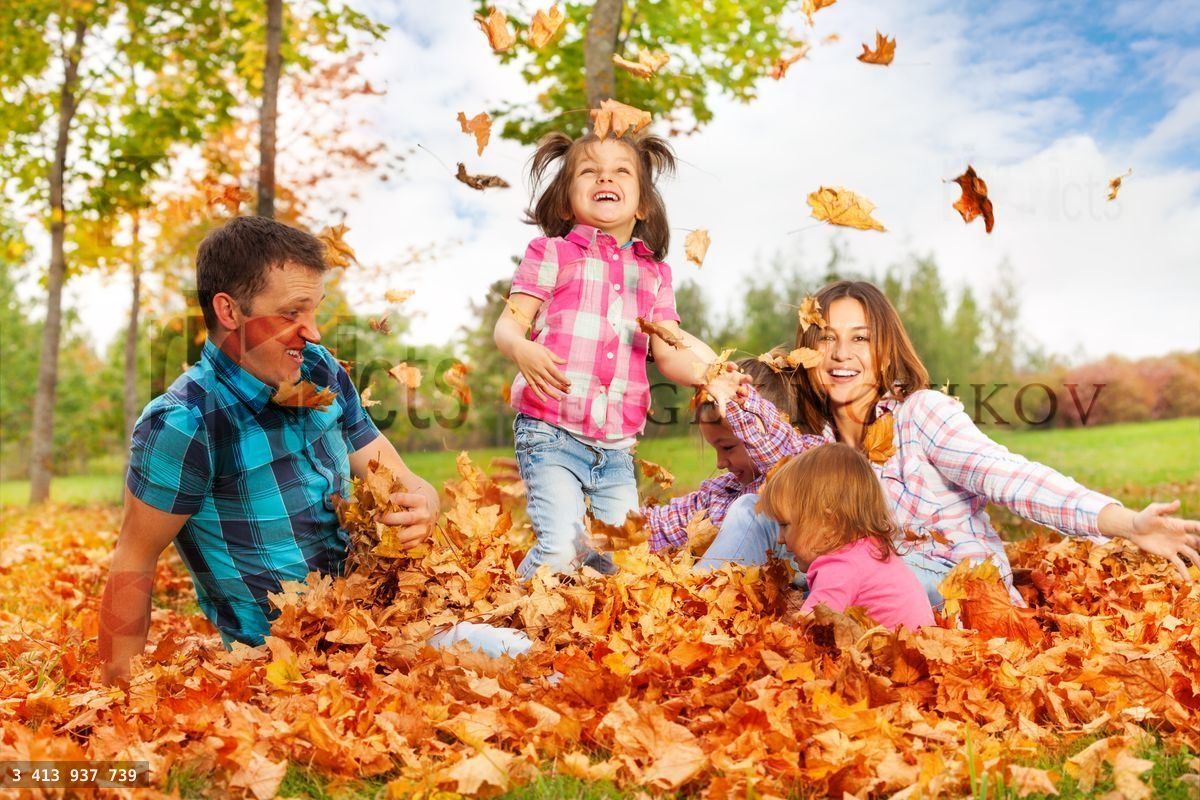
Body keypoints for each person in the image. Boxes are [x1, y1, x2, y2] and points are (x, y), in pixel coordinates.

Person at [100, 217, 526, 685]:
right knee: (521, 663)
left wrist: (423, 502)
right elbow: (134, 558)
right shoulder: (185, 422)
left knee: (533, 645)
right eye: (291, 314)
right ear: (229, 311)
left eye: (314, 311)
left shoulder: (319, 368)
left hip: (384, 621)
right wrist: (119, 694)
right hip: (290, 665)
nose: (315, 333)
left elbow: (398, 475)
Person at [700, 280, 1200, 606]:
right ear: (807, 352)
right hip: (855, 572)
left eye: (860, 338)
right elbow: (740, 492)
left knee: (855, 568)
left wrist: (1128, 523)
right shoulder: (814, 442)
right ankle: (692, 609)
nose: (841, 353)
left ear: (885, 350)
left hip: (947, 578)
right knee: (753, 510)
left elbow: (1011, 478)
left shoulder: (922, 413)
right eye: (827, 338)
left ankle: (817, 613)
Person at [494, 129, 730, 580]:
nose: (605, 178)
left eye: (621, 171)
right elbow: (508, 325)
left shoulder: (655, 274)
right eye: (589, 171)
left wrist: (711, 374)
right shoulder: (552, 253)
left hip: (617, 446)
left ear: (642, 205)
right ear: (567, 202)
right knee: (561, 548)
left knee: (624, 561)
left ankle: (583, 615)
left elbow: (670, 351)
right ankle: (513, 610)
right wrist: (521, 347)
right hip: (550, 430)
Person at [644, 356, 824, 552]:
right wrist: (624, 526)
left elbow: (774, 447)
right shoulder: (722, 493)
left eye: (727, 447)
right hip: (726, 571)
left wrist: (734, 396)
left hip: (791, 568)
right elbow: (664, 524)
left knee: (747, 507)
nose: (720, 463)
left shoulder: (800, 465)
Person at [757, 443, 935, 630]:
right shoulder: (872, 551)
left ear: (829, 523)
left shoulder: (839, 568)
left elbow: (806, 631)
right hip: (915, 644)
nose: (780, 539)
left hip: (887, 648)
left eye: (784, 525)